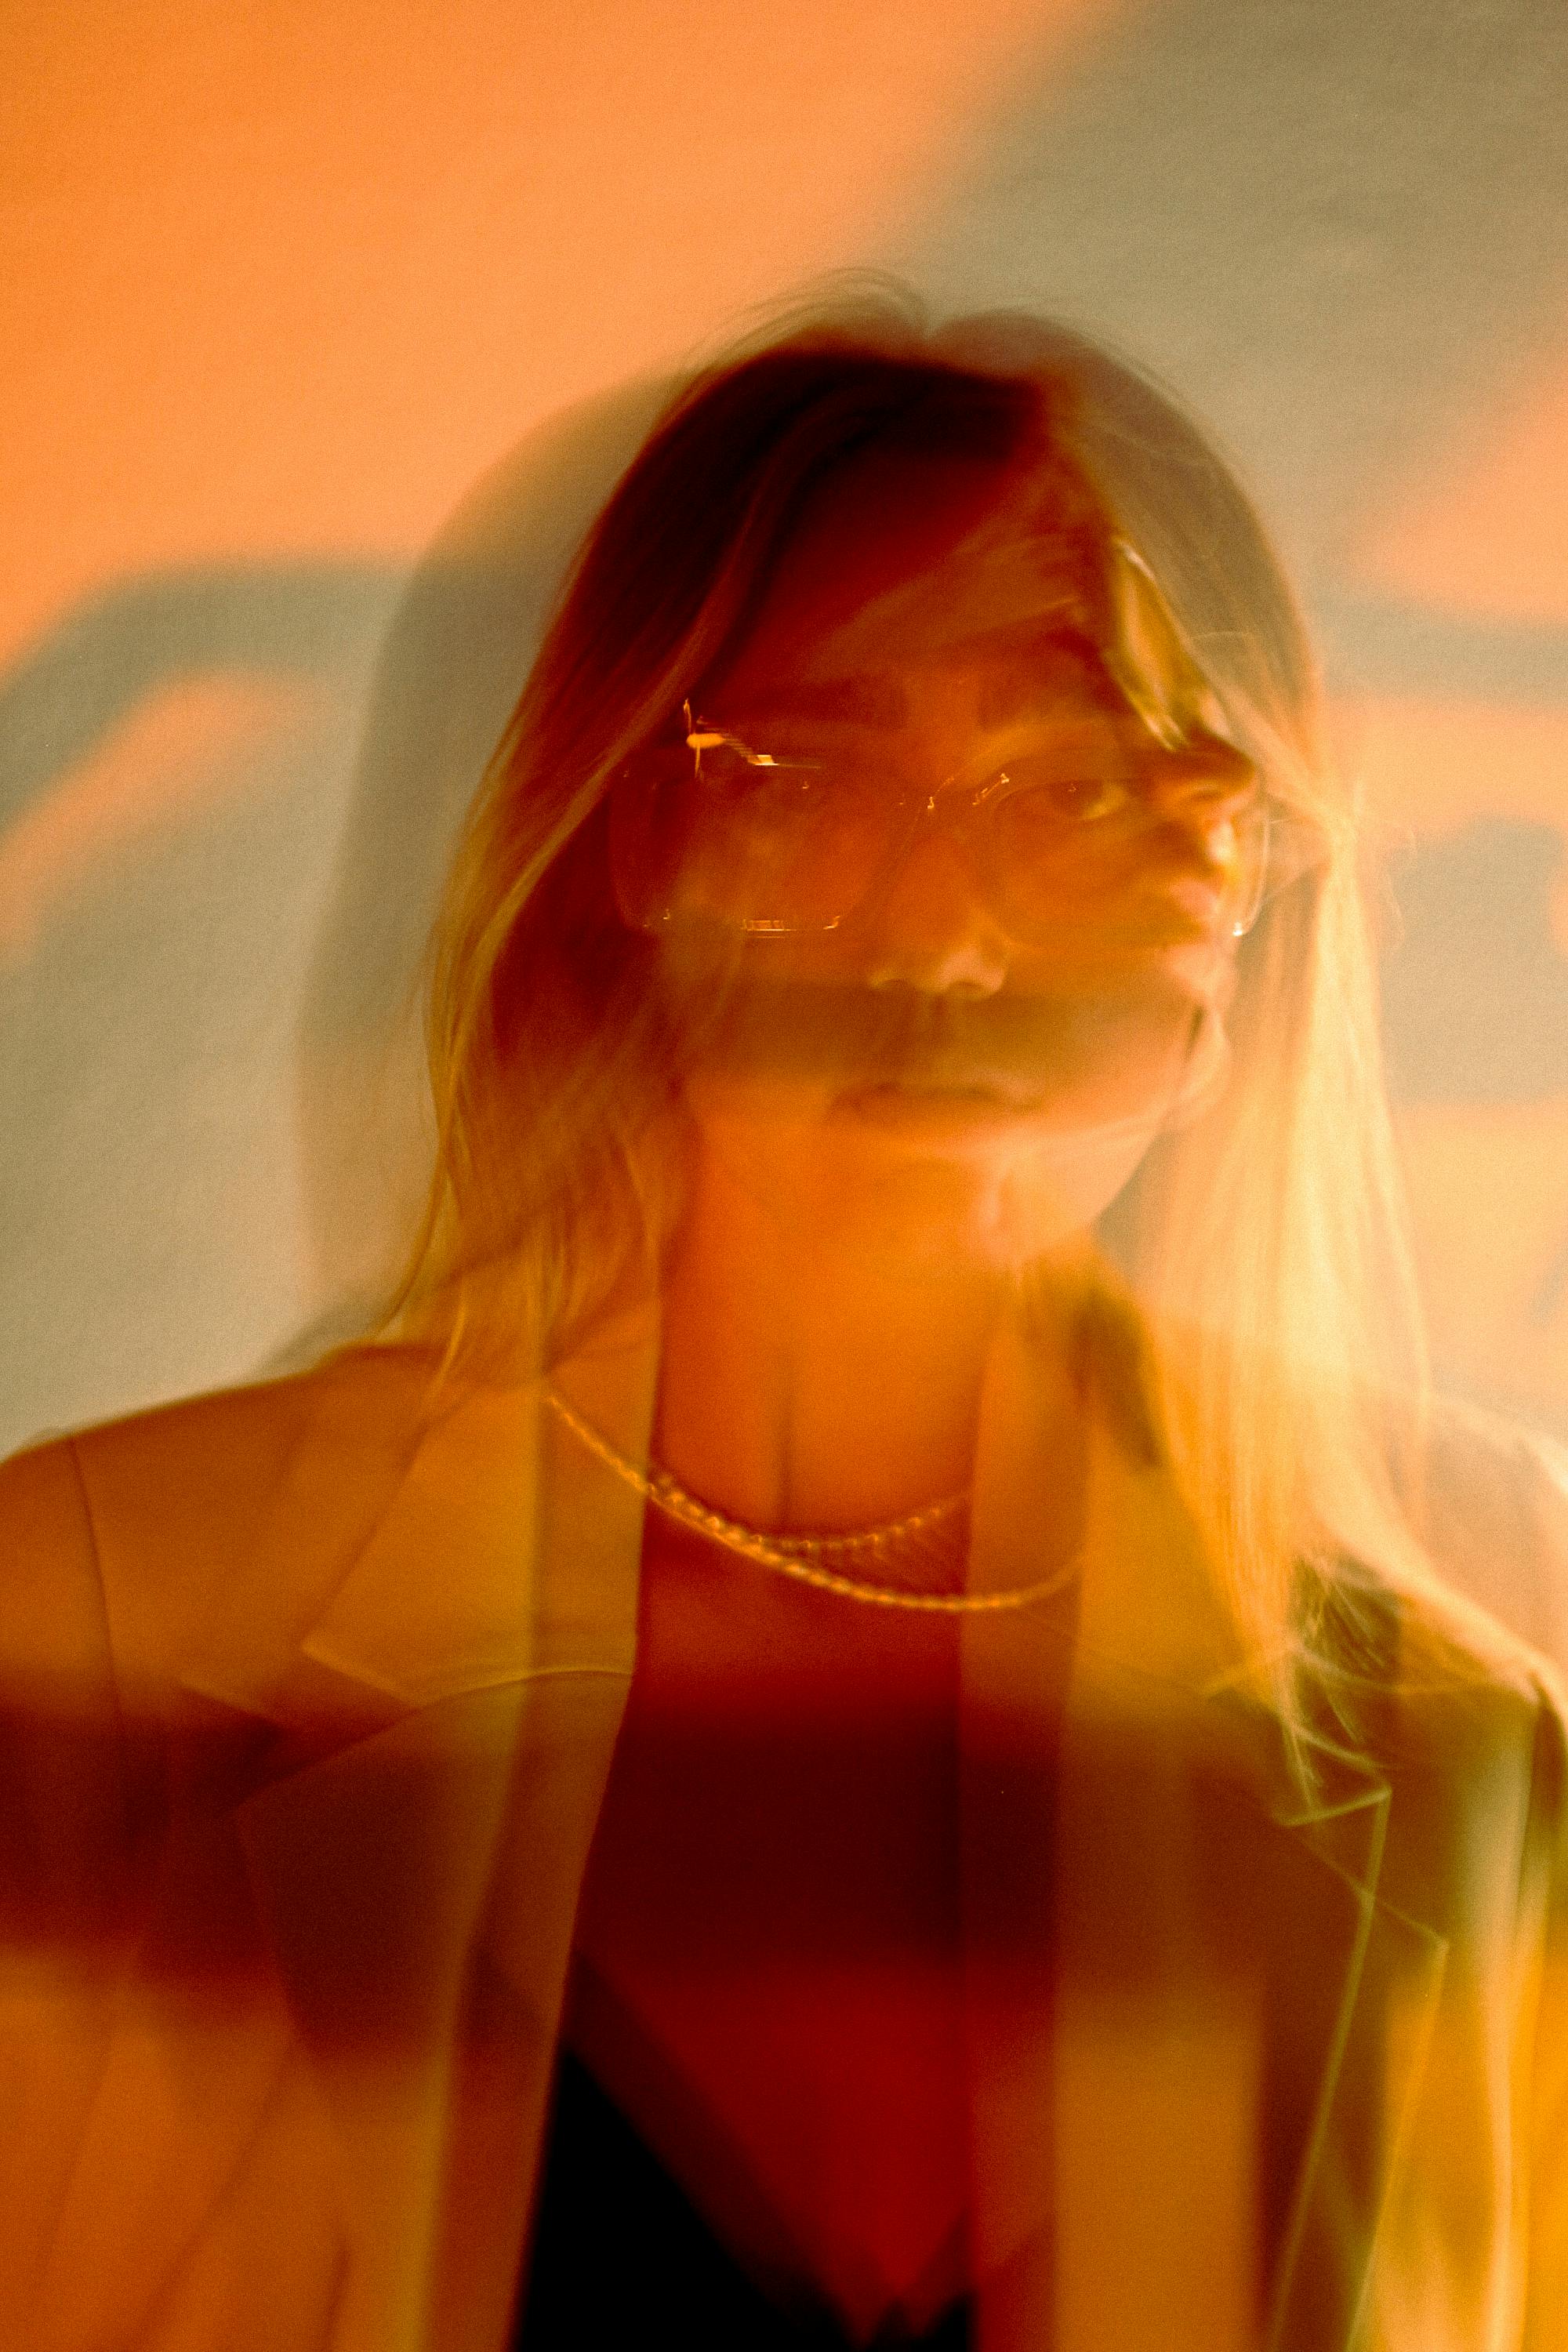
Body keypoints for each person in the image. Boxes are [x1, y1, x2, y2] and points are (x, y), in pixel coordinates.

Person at [2, 293, 1567, 2352]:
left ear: (1248, 889)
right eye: (804, 777)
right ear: (623, 846)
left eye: (1080, 791)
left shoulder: (1466, 1738)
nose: (944, 938)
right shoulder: (93, 1625)